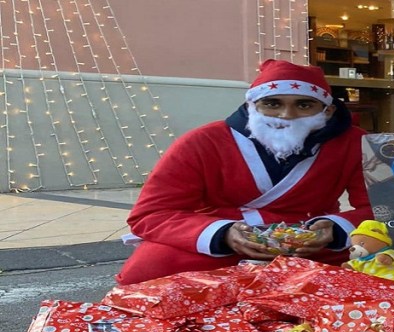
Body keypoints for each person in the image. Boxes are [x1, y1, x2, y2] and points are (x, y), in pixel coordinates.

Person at [116, 59, 374, 285]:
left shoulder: (356, 143)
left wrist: (336, 230)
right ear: (251, 105)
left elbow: (384, 209)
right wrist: (223, 234)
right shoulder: (202, 141)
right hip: (224, 239)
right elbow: (152, 214)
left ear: (327, 111)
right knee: (147, 270)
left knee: (381, 262)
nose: (286, 115)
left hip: (312, 242)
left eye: (304, 105)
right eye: (272, 104)